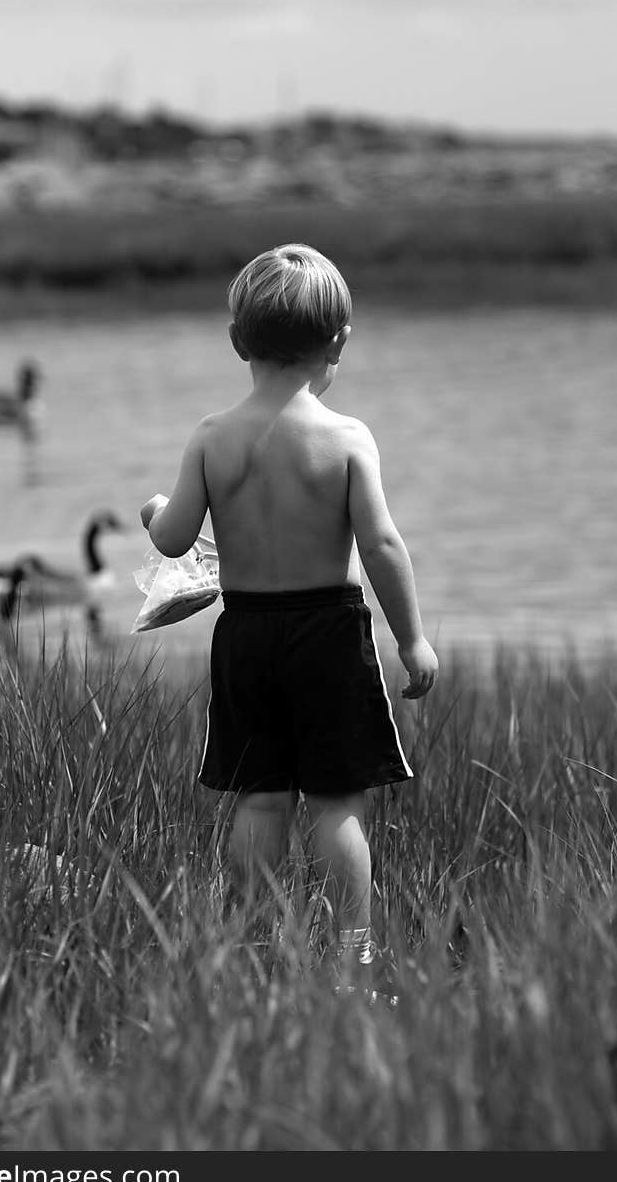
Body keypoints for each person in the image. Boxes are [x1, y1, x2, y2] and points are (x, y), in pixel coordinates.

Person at [140, 242, 438, 998]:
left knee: (260, 797)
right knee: (338, 805)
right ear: (337, 342)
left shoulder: (212, 436)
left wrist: (151, 510)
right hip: (328, 633)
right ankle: (355, 962)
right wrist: (412, 638)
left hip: (245, 634)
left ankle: (242, 954)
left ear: (239, 342)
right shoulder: (346, 438)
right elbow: (381, 543)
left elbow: (173, 538)